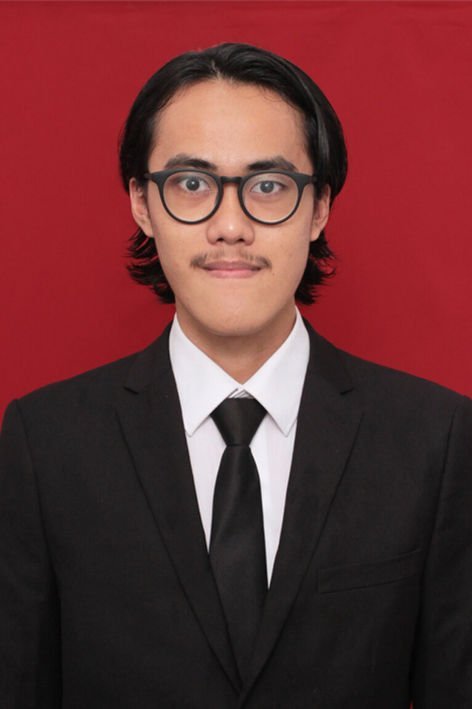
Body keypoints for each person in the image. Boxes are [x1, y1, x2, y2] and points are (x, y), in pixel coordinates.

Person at [0, 42, 470, 709]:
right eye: (191, 184)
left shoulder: (434, 440)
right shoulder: (44, 444)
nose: (229, 226)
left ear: (319, 207)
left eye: (268, 186)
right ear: (142, 202)